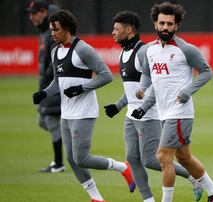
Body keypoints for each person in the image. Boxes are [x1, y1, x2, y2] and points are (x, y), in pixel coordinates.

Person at [32, 9, 135, 202]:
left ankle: (123, 167)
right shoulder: (55, 51)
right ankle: (96, 198)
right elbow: (57, 81)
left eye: (56, 29)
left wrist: (81, 88)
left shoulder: (83, 49)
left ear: (67, 29)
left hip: (84, 111)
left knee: (82, 159)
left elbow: (106, 75)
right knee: (71, 159)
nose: (52, 34)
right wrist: (44, 93)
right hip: (67, 112)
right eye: (51, 29)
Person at [131, 2, 213, 202]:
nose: (165, 27)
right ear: (155, 24)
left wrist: (187, 91)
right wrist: (143, 94)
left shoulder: (186, 49)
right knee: (184, 158)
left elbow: (207, 71)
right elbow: (150, 77)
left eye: (170, 24)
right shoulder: (150, 50)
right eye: (162, 23)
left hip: (180, 113)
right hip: (164, 113)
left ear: (176, 26)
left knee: (163, 157)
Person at [104, 11, 203, 202]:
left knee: (151, 160)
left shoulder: (144, 51)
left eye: (116, 29)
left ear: (129, 29)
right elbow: (134, 88)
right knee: (132, 159)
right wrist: (119, 105)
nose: (113, 33)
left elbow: (154, 82)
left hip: (149, 114)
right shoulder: (123, 53)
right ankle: (148, 200)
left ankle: (194, 178)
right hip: (131, 115)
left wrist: (143, 103)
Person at [26, 0, 64, 173]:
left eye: (33, 13)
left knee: (49, 120)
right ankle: (68, 139)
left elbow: (55, 59)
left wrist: (48, 82)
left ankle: (58, 163)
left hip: (53, 86)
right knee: (44, 121)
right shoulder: (44, 31)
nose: (30, 17)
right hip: (47, 85)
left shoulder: (52, 30)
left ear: (42, 12)